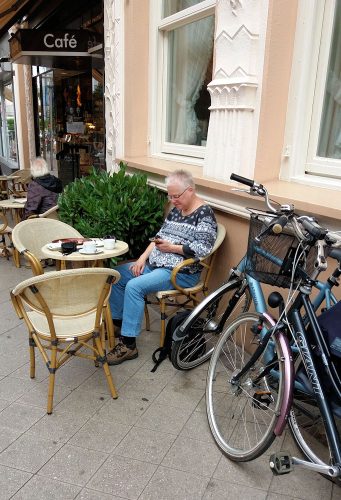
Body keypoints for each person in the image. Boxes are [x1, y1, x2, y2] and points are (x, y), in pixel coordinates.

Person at [107, 169, 218, 365]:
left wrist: (172, 248)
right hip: (155, 265)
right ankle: (119, 324)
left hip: (179, 272)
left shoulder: (204, 214)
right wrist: (142, 258)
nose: (173, 200)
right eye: (170, 196)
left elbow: (203, 248)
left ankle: (128, 344)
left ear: (190, 190)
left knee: (135, 287)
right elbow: (158, 238)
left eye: (176, 196)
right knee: (116, 276)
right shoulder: (177, 210)